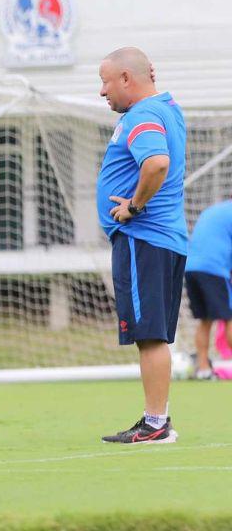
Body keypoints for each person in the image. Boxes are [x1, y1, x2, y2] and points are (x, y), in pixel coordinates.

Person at [96, 47, 186, 444]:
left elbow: (157, 163)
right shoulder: (166, 108)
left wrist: (134, 206)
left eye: (106, 81)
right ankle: (157, 420)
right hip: (162, 239)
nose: (102, 92)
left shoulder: (144, 114)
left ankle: (155, 424)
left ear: (127, 80)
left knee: (148, 335)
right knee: (154, 335)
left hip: (144, 239)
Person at [184, 200, 232, 379]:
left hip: (191, 268)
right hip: (214, 269)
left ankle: (203, 370)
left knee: (205, 320)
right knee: (229, 318)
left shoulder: (213, 210)